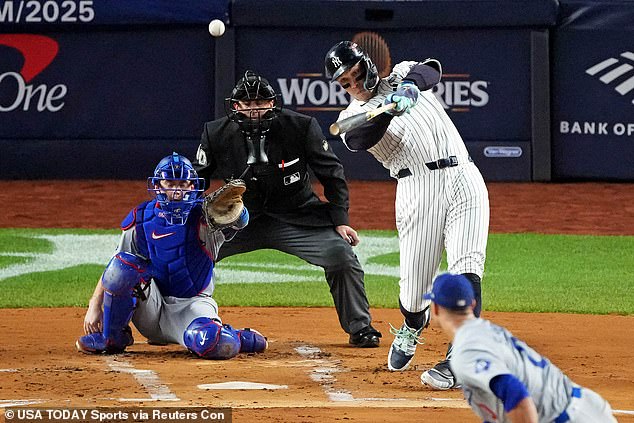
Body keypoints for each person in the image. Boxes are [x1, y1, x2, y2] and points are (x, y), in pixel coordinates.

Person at [324, 41, 490, 388]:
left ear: (367, 64)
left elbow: (431, 67)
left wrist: (410, 88)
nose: (354, 84)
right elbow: (360, 137)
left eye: (356, 74)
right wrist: (387, 110)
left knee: (467, 267)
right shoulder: (350, 117)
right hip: (418, 190)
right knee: (414, 295)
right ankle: (414, 325)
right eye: (345, 82)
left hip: (464, 176)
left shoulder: (400, 74)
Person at [193, 70, 382, 348]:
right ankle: (172, 321)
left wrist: (340, 220)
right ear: (236, 106)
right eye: (248, 105)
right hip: (238, 220)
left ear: (272, 103)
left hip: (296, 215)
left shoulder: (300, 126)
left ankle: (360, 327)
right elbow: (198, 178)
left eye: (260, 103)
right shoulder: (216, 132)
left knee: (340, 254)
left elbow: (332, 173)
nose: (255, 110)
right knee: (189, 252)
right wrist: (188, 220)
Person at [76, 152, 267, 359]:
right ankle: (112, 337)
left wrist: (240, 212)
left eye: (183, 183)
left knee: (216, 345)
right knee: (123, 267)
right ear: (158, 186)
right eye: (170, 182)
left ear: (192, 186)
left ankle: (237, 336)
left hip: (191, 306)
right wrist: (94, 305)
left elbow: (240, 222)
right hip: (151, 306)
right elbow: (115, 266)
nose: (177, 190)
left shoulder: (206, 218)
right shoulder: (141, 218)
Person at [423, 273, 617, 422]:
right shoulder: (487, 331)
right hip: (587, 408)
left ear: (436, 308)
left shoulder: (466, 350)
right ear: (472, 304)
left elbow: (517, 396)